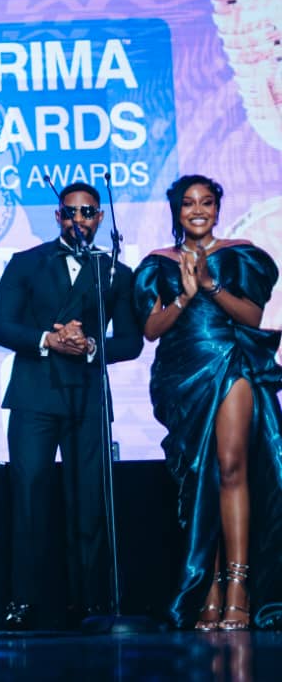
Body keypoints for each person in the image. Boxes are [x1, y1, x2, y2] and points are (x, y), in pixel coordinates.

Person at [0, 181, 143, 629]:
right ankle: (24, 601)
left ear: (100, 217)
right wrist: (48, 339)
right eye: (70, 212)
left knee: (90, 498)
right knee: (29, 495)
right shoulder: (27, 262)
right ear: (58, 216)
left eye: (87, 212)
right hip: (34, 395)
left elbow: (131, 342)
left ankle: (89, 601)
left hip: (87, 395)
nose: (79, 219)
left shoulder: (116, 273)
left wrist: (91, 345)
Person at [133, 174, 282, 631]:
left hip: (231, 362)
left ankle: (238, 588)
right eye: (188, 203)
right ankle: (208, 588)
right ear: (176, 211)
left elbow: (253, 316)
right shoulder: (158, 262)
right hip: (182, 375)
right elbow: (151, 330)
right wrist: (185, 295)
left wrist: (212, 285)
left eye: (206, 202)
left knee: (232, 468)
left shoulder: (239, 254)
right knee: (202, 478)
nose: (198, 210)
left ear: (217, 208)